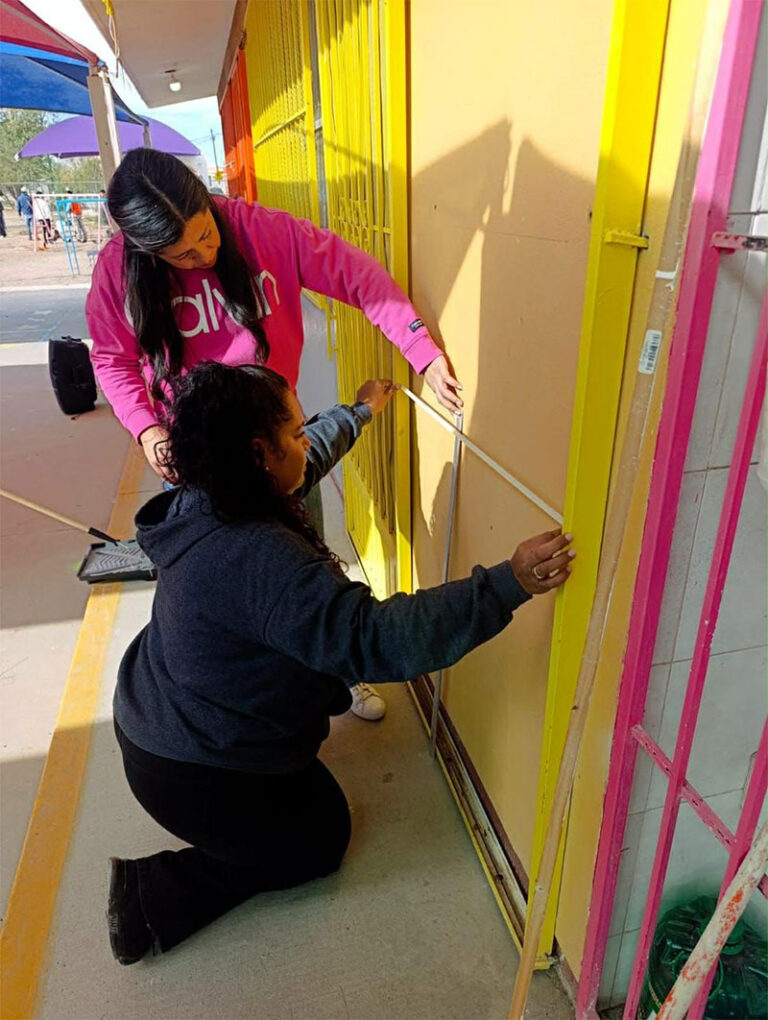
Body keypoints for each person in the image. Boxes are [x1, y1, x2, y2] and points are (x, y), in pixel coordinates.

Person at [107, 361, 575, 966]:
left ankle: (245, 811)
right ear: (258, 453)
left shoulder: (214, 492)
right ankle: (149, 899)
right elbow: (377, 640)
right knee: (320, 843)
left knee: (307, 795)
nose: (306, 442)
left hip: (163, 706)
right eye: (296, 434)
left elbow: (305, 464)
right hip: (188, 761)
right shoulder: (255, 558)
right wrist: (506, 584)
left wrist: (359, 413)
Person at [86, 147, 464, 722]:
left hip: (272, 437)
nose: (205, 253)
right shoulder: (118, 270)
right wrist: (146, 430)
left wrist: (422, 352)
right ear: (145, 250)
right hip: (195, 456)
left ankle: (340, 671)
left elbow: (360, 279)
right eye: (183, 253)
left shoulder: (262, 231)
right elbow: (112, 359)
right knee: (218, 584)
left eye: (206, 233)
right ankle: (245, 694)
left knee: (304, 558)